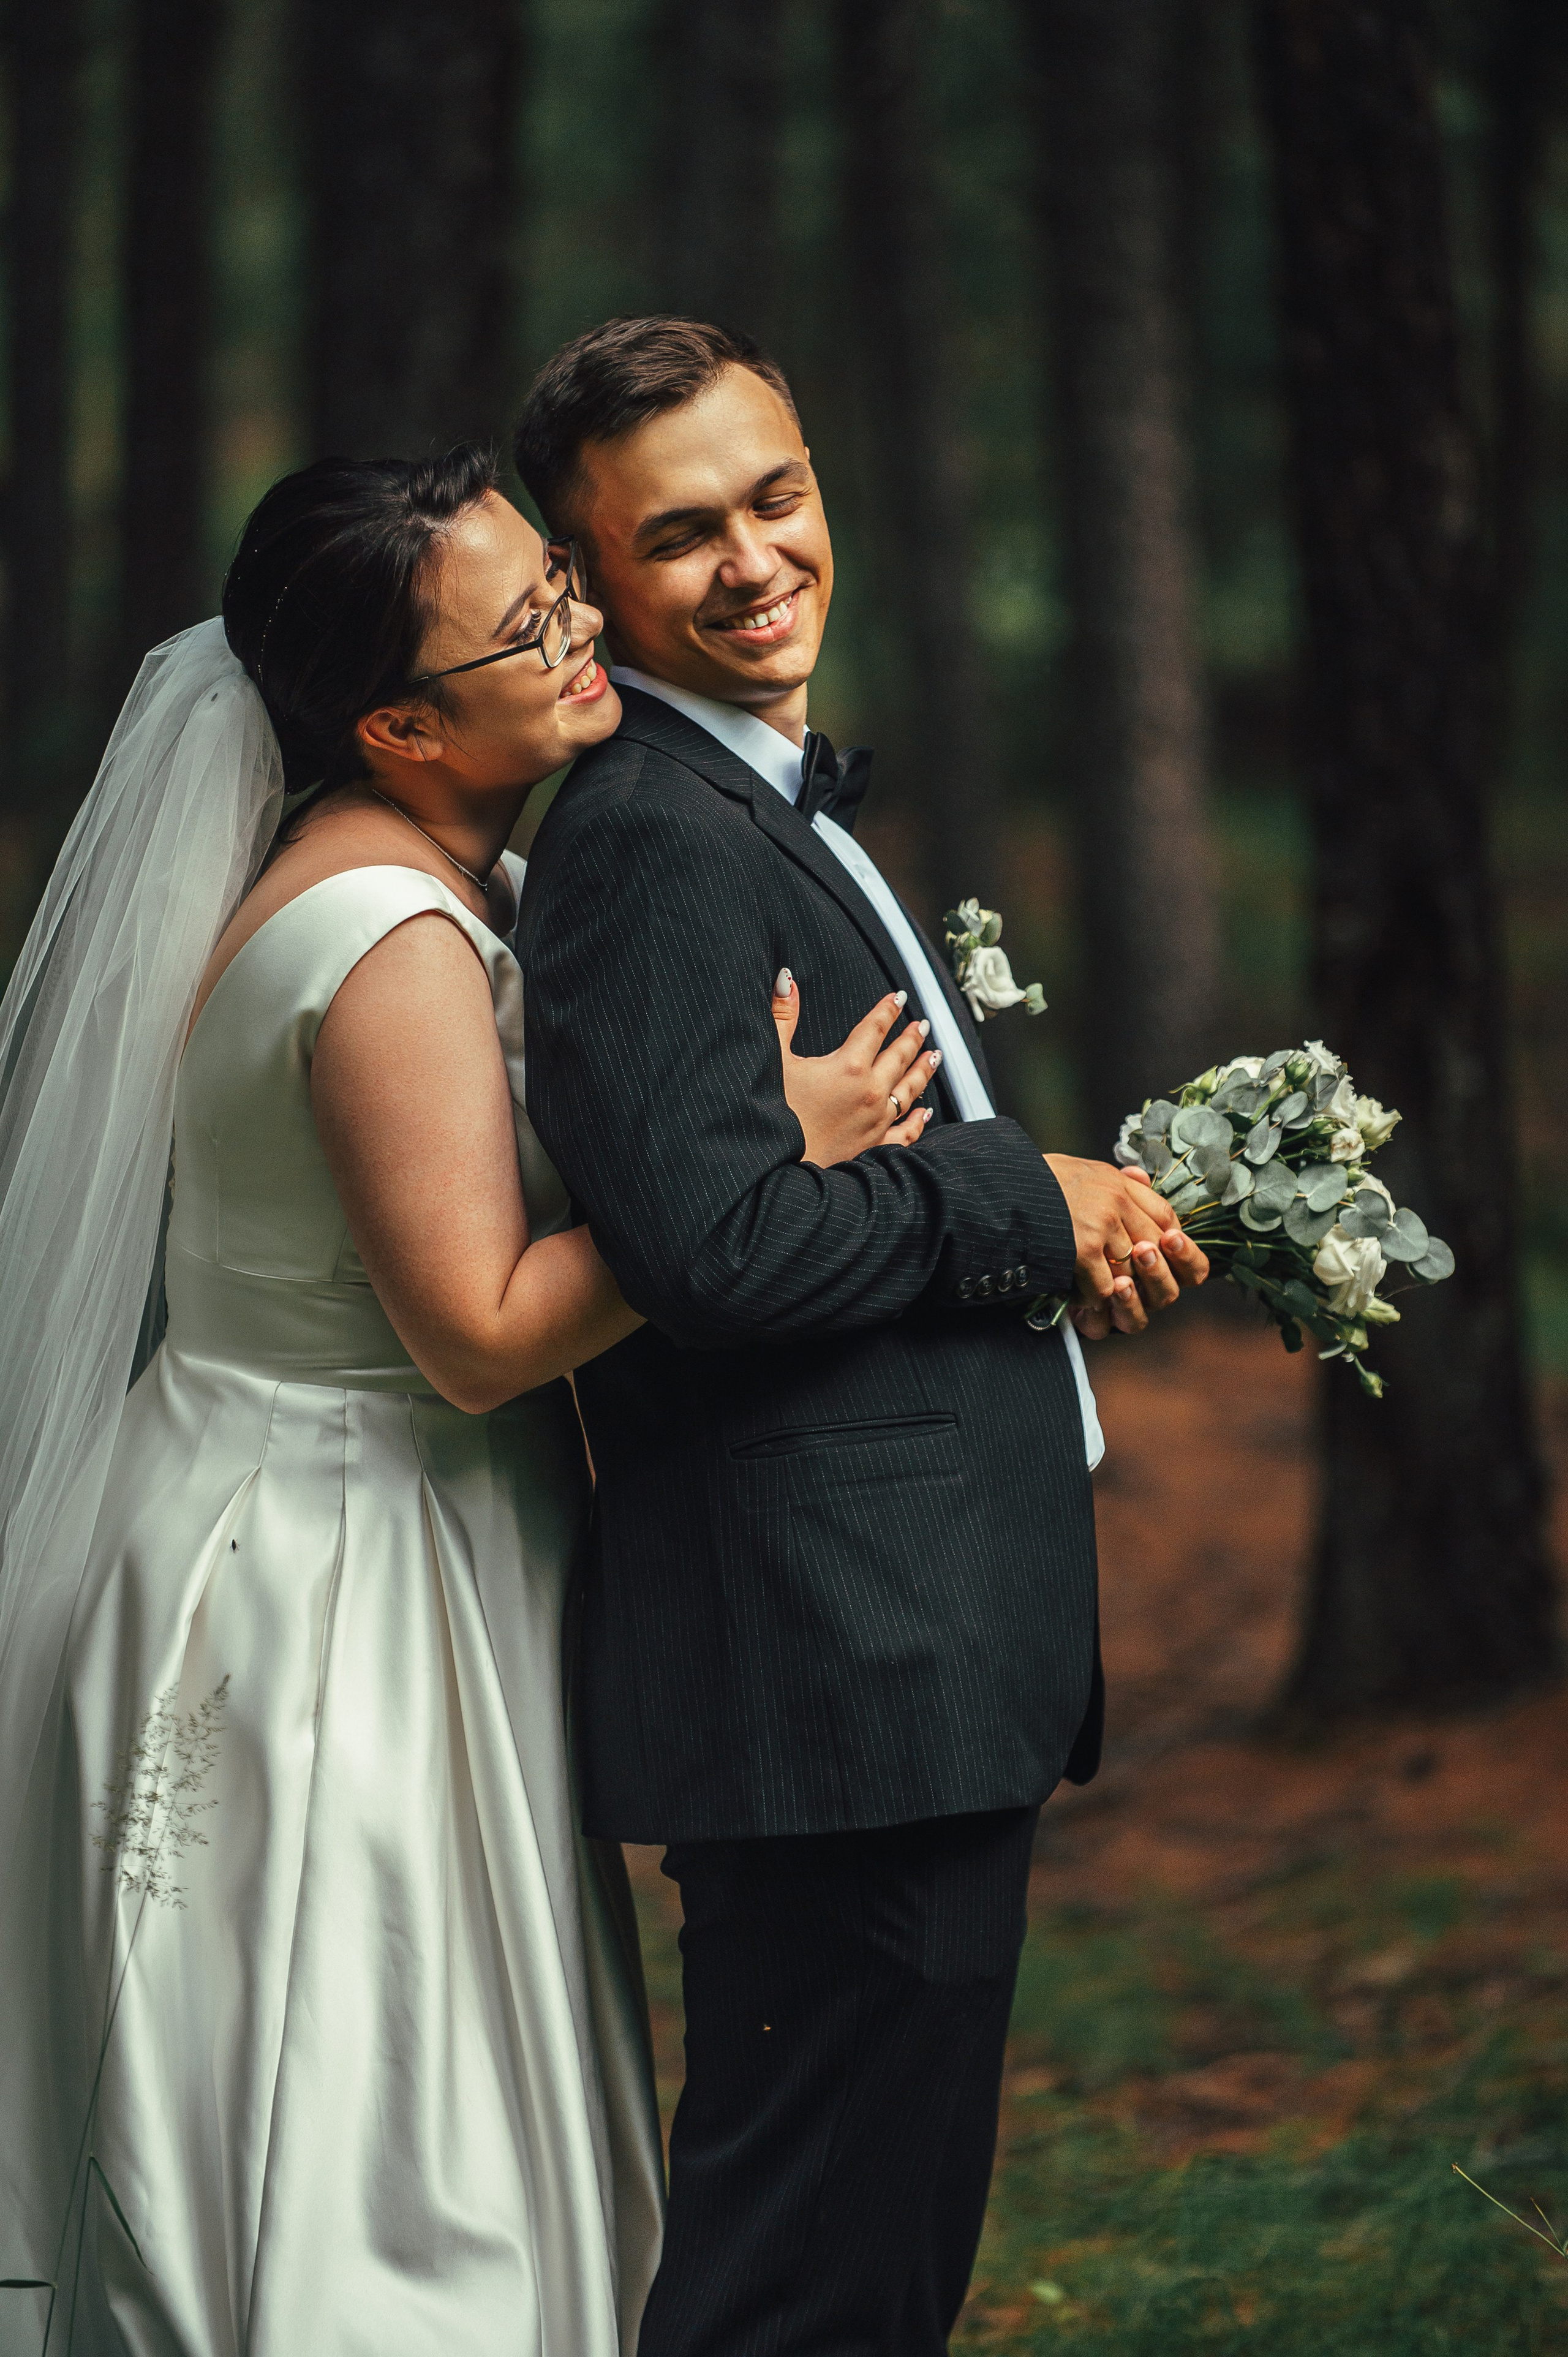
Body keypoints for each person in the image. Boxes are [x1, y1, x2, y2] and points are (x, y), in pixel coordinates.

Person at [0, 446, 935, 2356]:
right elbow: (485, 1331)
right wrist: (775, 1149)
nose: (585, 638)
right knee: (357, 2121)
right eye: (530, 631)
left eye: (563, 594)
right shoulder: (394, 942)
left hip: (375, 1519)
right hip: (323, 1580)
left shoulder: (433, 865)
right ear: (395, 721)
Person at [511, 317, 1211, 2356]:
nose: (755, 561)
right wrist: (1023, 1200)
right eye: (680, 537)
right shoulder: (647, 840)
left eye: (778, 498)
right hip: (832, 1677)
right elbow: (713, 1251)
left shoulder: (756, 805)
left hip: (896, 1660)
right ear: (596, 588)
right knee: (807, 2289)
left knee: (869, 2273)